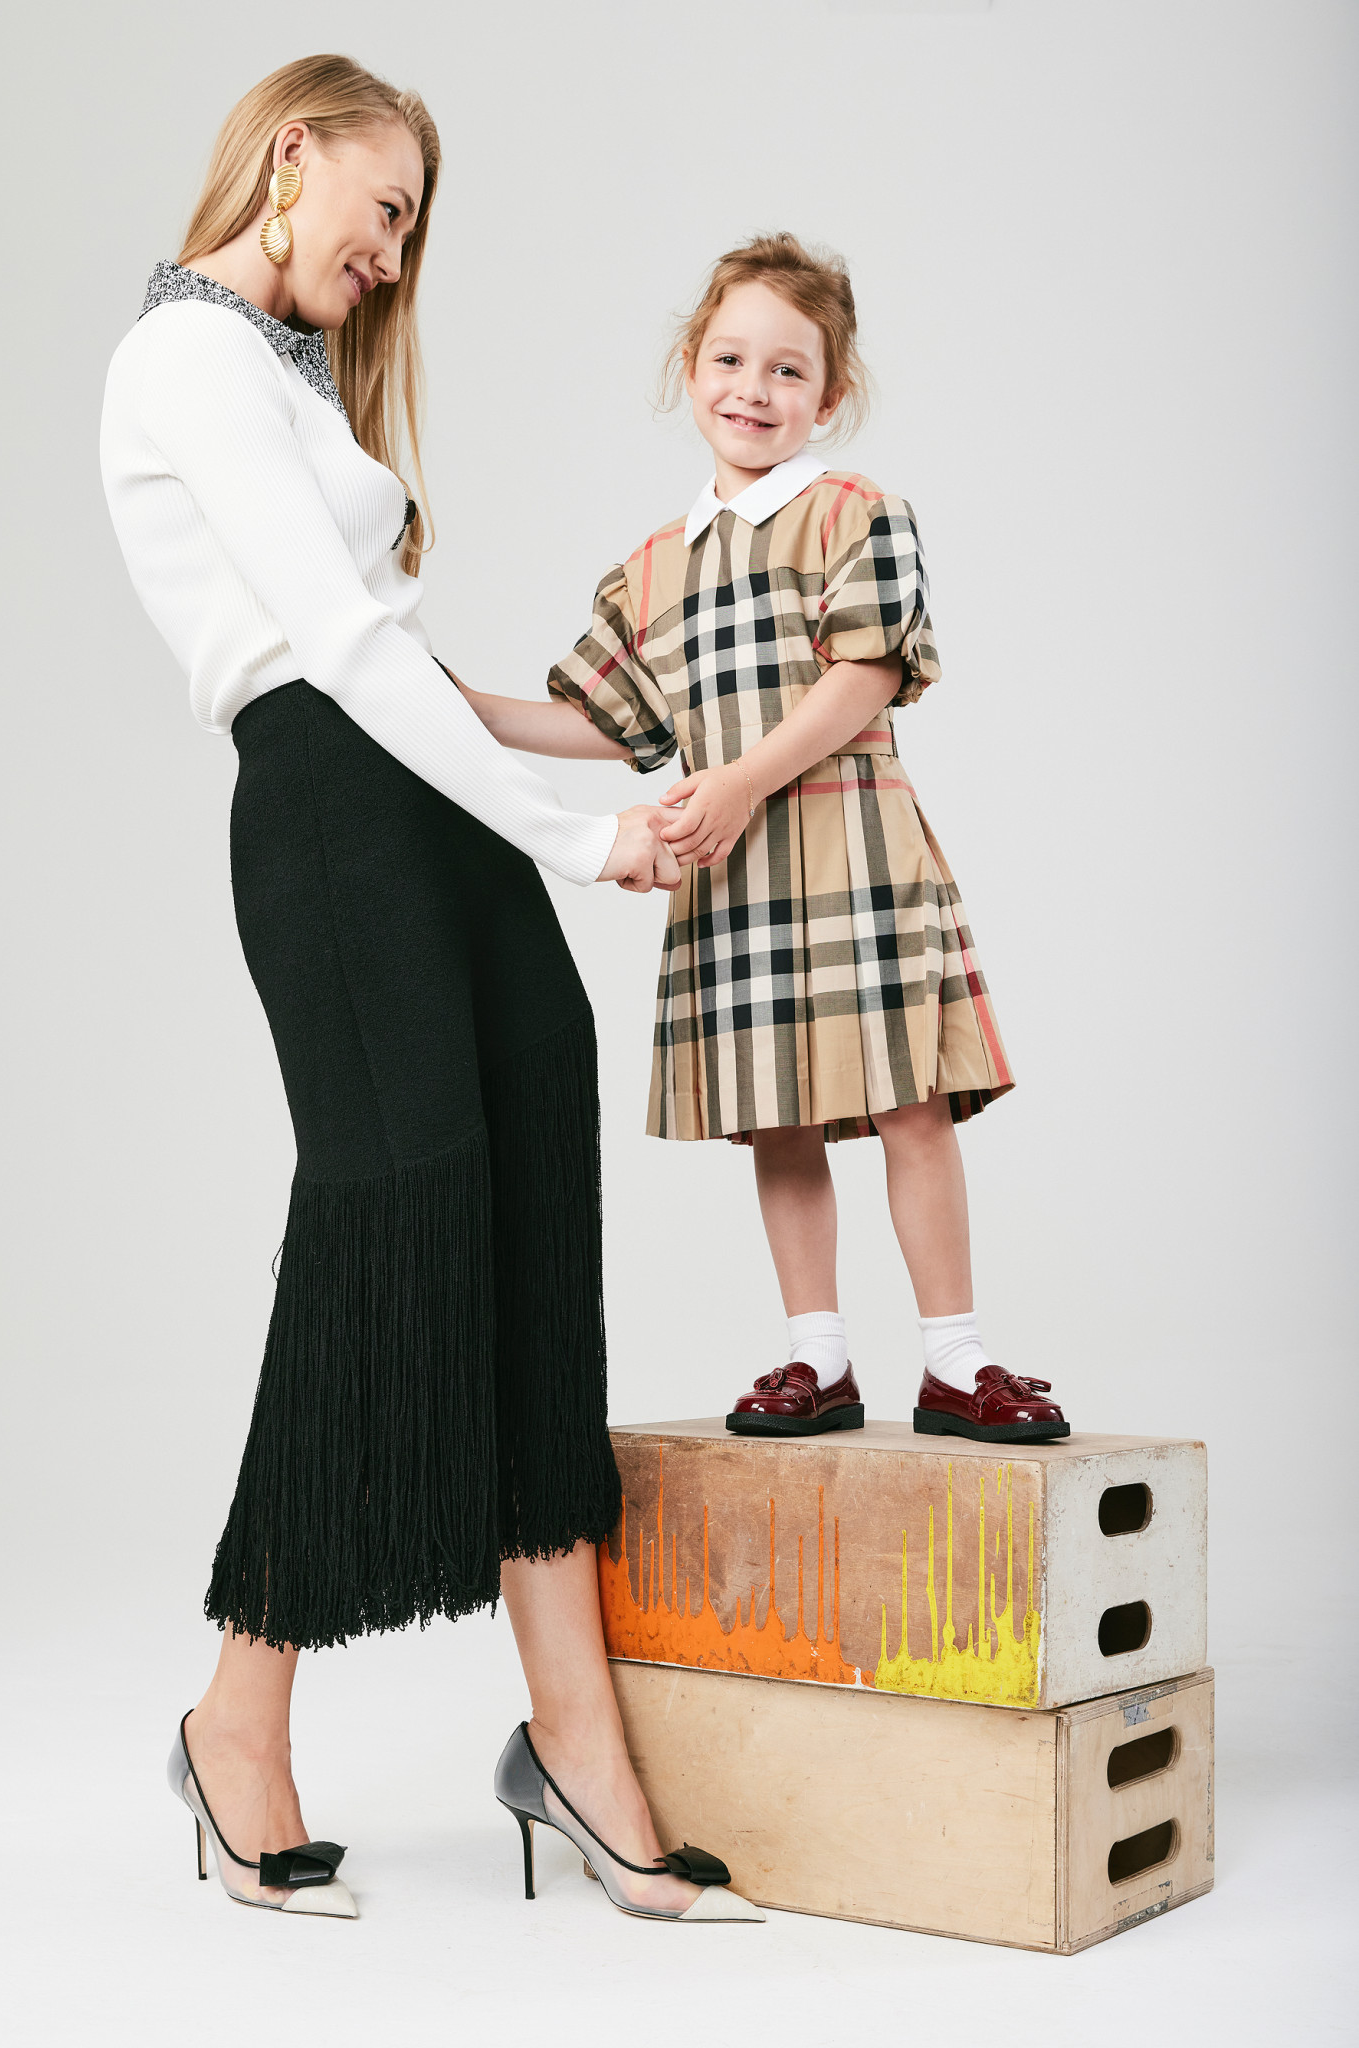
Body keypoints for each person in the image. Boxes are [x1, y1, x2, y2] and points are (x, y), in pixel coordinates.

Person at [100, 54, 763, 1924]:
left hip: (430, 808)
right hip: (332, 822)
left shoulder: (290, 371)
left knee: (537, 1207)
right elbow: (330, 651)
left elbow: (405, 664)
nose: (393, 256)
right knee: (388, 1236)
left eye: (409, 230)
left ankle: (576, 1740)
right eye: (385, 209)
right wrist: (584, 840)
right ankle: (236, 1722)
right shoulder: (184, 358)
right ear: (291, 154)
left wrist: (611, 754)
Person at [459, 233, 1069, 1449]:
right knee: (778, 1115)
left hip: (852, 850)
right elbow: (604, 721)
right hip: (736, 877)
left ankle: (955, 1357)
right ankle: (817, 1354)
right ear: (691, 368)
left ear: (827, 397)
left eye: (789, 370)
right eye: (731, 359)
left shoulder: (858, 513)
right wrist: (444, 702)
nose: (754, 388)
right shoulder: (649, 570)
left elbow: (866, 672)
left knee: (909, 1102)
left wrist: (735, 782)